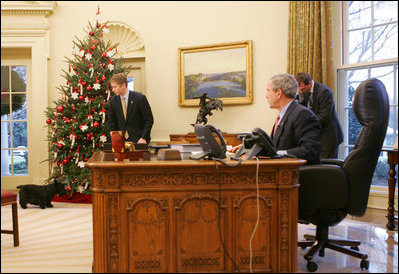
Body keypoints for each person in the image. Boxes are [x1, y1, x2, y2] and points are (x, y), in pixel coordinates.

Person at [231, 73, 322, 165]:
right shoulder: (284, 115)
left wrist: (278, 154)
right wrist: (248, 148)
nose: (266, 96)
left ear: (278, 93)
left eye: (268, 91)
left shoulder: (302, 114)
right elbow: (272, 148)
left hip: (297, 174)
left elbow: (310, 150)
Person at [295, 72, 343, 158]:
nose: (300, 91)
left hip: (328, 136)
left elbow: (324, 117)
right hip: (316, 137)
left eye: (302, 89)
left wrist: (306, 123)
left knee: (327, 167)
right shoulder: (304, 92)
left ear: (309, 83)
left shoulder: (324, 92)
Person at [108, 73, 154, 144]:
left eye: (115, 87)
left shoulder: (140, 98)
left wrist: (143, 137)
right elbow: (112, 123)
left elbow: (149, 120)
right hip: (121, 142)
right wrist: (116, 138)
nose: (113, 90)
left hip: (139, 141)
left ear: (123, 85)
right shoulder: (113, 101)